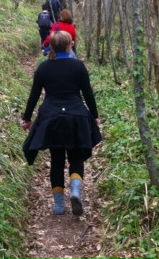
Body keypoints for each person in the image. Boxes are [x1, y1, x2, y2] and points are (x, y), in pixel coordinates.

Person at [21, 31, 102, 216]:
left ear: (52, 47)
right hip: (76, 116)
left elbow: (34, 96)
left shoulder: (43, 68)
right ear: (69, 45)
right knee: (76, 157)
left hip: (52, 118)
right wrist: (95, 116)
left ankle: (59, 205)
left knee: (57, 159)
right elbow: (88, 94)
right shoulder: (78, 67)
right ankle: (75, 191)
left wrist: (26, 118)